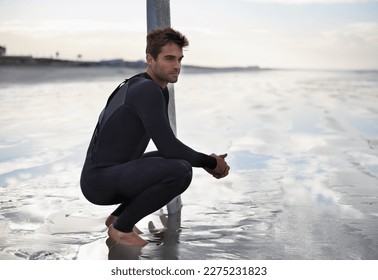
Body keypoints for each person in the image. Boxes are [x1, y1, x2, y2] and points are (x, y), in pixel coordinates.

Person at [80, 27, 230, 247]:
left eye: (179, 59)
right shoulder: (146, 90)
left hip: (110, 174)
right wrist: (210, 163)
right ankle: (121, 230)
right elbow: (170, 146)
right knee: (180, 170)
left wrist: (206, 160)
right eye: (169, 58)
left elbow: (168, 147)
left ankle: (119, 218)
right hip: (100, 182)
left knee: (174, 162)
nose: (177, 66)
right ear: (150, 59)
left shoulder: (155, 88)